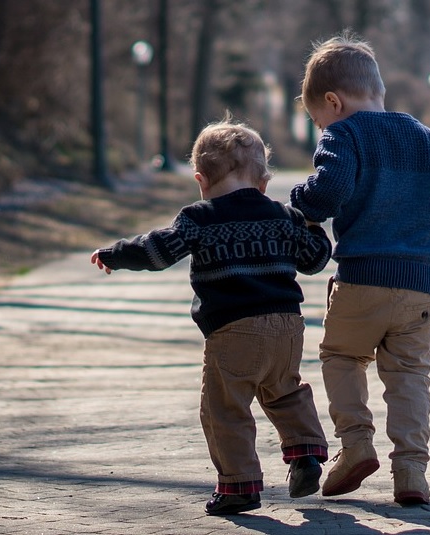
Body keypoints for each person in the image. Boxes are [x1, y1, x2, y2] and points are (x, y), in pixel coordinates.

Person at [91, 116, 331, 515]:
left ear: (200, 180)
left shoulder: (199, 218)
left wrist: (117, 253)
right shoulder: (281, 215)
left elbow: (157, 251)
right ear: (263, 181)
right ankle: (305, 454)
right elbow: (314, 260)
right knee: (285, 391)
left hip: (234, 330)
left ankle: (239, 486)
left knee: (225, 408)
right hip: (287, 327)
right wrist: (312, 222)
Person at [289, 32, 430, 506]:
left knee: (342, 357)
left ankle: (355, 446)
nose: (320, 126)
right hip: (421, 287)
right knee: (410, 376)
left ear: (334, 102)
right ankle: (411, 472)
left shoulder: (343, 134)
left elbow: (328, 192)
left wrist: (300, 201)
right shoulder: (428, 139)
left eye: (317, 119)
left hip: (362, 280)